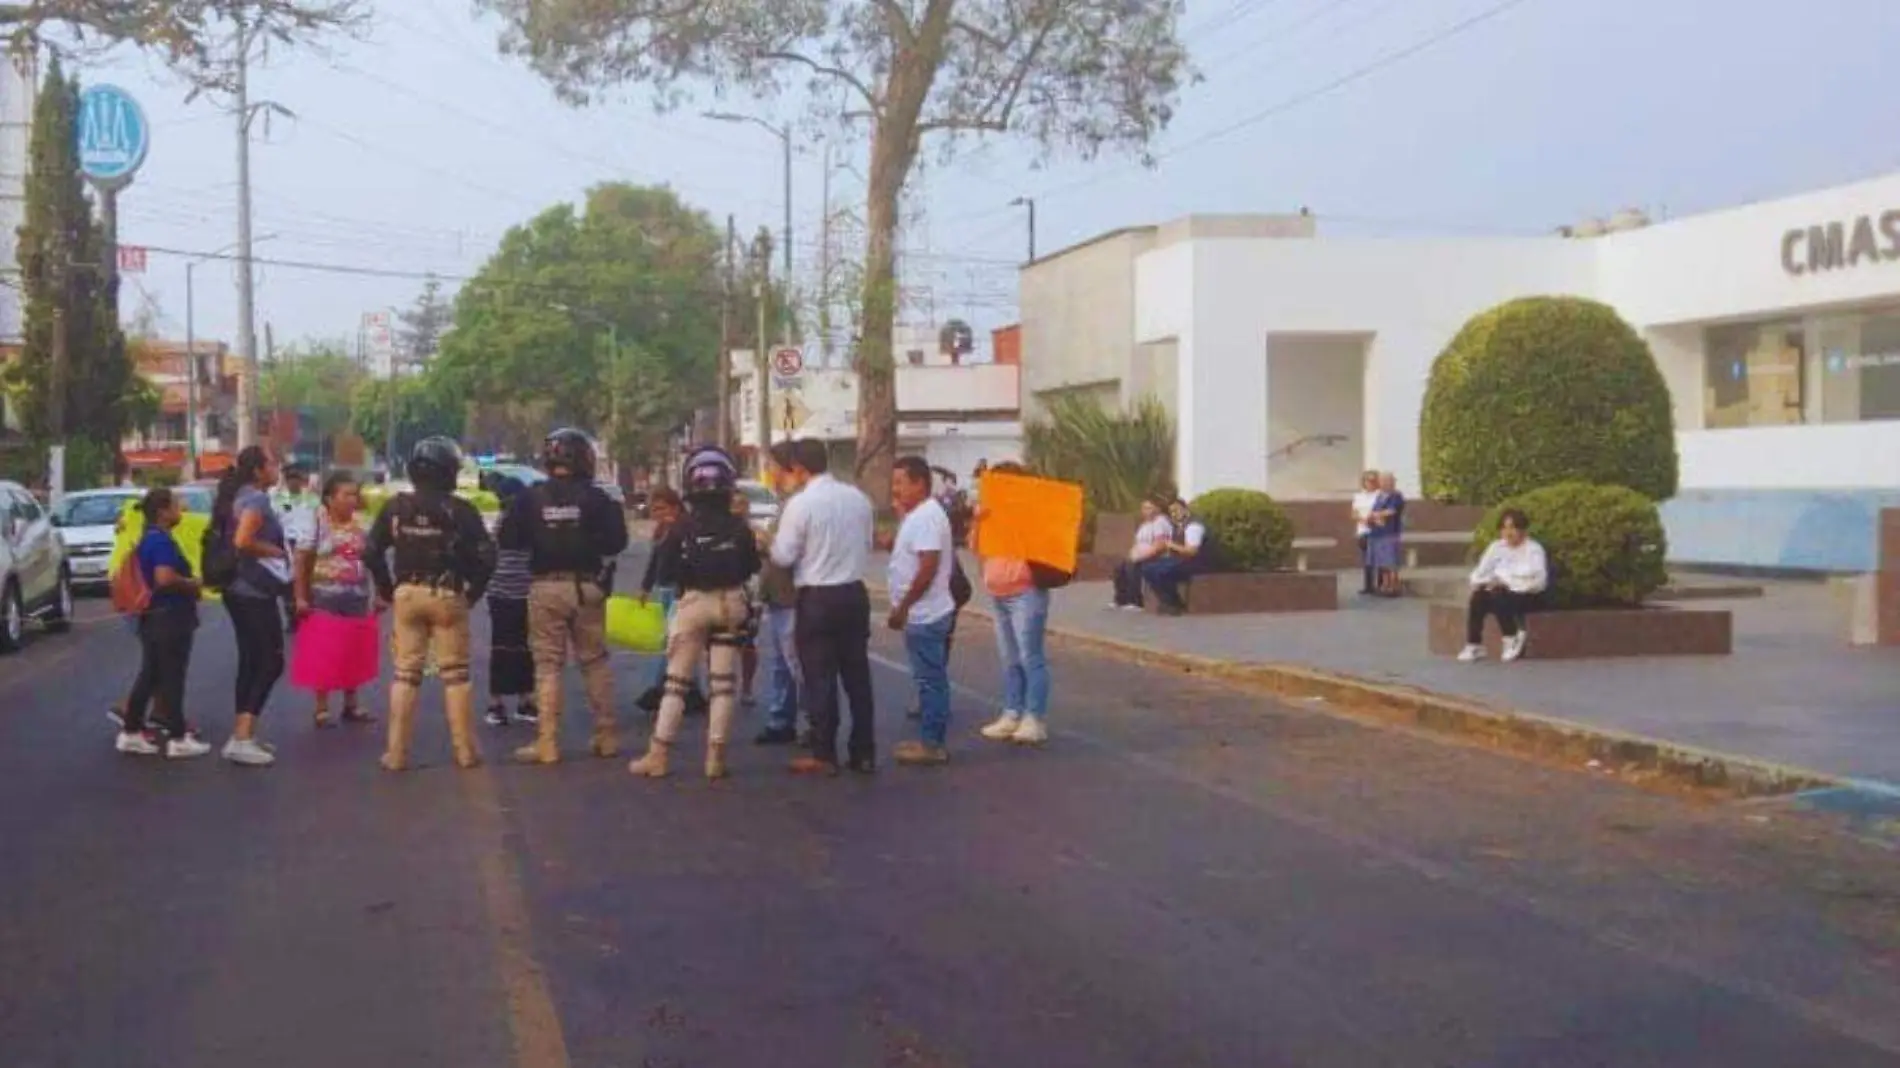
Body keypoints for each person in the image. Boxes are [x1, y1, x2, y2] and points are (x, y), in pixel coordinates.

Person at [627, 446, 761, 779]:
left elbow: (666, 573)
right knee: (723, 685)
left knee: (676, 684)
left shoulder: (682, 528)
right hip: (730, 603)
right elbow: (751, 567)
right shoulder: (739, 527)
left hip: (694, 603)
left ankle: (658, 755)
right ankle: (715, 757)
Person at [365, 436, 497, 771]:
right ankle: (465, 751)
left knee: (406, 674)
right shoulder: (460, 510)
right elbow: (486, 558)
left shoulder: (395, 507)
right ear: (449, 470)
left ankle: (396, 754)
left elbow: (371, 551)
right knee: (455, 676)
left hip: (407, 593)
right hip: (447, 595)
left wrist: (386, 589)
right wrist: (471, 595)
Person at [502, 428, 629, 765]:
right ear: (585, 457)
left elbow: (509, 538)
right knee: (595, 660)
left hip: (546, 586)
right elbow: (617, 542)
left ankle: (547, 742)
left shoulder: (530, 497)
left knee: (548, 665)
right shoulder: (599, 498)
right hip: (588, 586)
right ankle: (607, 735)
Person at [768, 438, 876, 776]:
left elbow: (783, 555)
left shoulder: (801, 505)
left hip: (817, 597)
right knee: (857, 676)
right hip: (854, 593)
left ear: (798, 469)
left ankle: (823, 752)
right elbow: (868, 543)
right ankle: (864, 751)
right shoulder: (858, 498)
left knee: (820, 677)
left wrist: (765, 543)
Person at [116, 488, 212, 759]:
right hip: (168, 617)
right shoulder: (159, 542)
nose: (181, 509)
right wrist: (192, 583)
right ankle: (178, 737)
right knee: (172, 677)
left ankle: (131, 732)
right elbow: (164, 578)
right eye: (176, 505)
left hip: (155, 618)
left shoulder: (151, 538)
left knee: (151, 675)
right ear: (162, 512)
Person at [212, 444, 291, 767]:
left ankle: (242, 733)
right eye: (272, 463)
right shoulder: (255, 498)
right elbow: (243, 541)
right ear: (259, 470)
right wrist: (275, 553)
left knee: (250, 659)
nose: (277, 469)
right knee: (270, 661)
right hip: (253, 591)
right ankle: (242, 736)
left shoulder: (238, 495)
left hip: (237, 589)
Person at [972, 461, 1054, 745]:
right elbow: (976, 547)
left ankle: (1034, 717)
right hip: (998, 591)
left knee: (1030, 655)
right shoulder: (990, 514)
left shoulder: (1028, 515)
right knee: (1009, 657)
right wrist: (980, 522)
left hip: (1025, 590)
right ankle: (1012, 712)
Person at [291, 471, 379, 727]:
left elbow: (372, 560)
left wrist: (379, 593)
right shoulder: (316, 522)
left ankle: (351, 704)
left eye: (355, 494)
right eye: (346, 494)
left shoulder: (363, 523)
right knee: (325, 650)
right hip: (323, 596)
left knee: (354, 648)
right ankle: (321, 708)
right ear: (330, 499)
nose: (352, 499)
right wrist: (300, 597)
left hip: (357, 595)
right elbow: (301, 560)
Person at [887, 457, 958, 766]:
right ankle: (931, 739)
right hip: (924, 612)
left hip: (926, 613)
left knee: (931, 680)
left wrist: (903, 607)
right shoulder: (919, 515)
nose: (896, 489)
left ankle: (933, 744)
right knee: (929, 678)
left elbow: (928, 565)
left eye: (901, 483)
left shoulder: (928, 516)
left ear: (919, 483)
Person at [752, 441, 804, 747]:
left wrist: (762, 537)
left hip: (790, 593)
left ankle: (811, 722)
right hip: (778, 593)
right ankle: (781, 719)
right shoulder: (785, 501)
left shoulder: (797, 503)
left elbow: (787, 550)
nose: (767, 472)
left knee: (796, 663)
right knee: (782, 664)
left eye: (770, 465)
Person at [1459, 508, 1548, 663]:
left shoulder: (1533, 550)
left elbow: (1536, 580)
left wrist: (1506, 582)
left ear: (1522, 530)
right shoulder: (1496, 547)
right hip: (1499, 592)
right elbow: (1480, 572)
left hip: (1527, 595)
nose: (1508, 532)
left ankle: (1511, 637)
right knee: (1479, 596)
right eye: (1504, 528)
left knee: (1499, 593)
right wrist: (1482, 582)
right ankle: (1474, 644)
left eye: (1513, 528)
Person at [484, 476, 538, 727]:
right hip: (526, 593)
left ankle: (496, 704)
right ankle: (526, 701)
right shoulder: (532, 526)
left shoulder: (500, 524)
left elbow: (489, 558)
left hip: (499, 594)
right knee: (525, 647)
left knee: (501, 646)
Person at [1140, 498, 1207, 616]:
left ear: (1185, 510)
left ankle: (1172, 603)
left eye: (1177, 510)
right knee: (1148, 569)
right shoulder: (1177, 527)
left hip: (1195, 563)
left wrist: (1171, 545)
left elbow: (1192, 551)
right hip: (1179, 560)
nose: (1175, 514)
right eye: (1172, 512)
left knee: (1162, 571)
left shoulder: (1194, 526)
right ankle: (1170, 601)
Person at [1111, 496, 1173, 610]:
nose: (1146, 511)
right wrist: (1132, 554)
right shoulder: (1144, 525)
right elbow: (1137, 543)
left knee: (1133, 567)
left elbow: (1160, 545)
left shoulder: (1160, 522)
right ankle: (1121, 599)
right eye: (1144, 508)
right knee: (1119, 567)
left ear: (1157, 509)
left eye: (1149, 508)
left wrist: (1142, 556)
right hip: (1140, 555)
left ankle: (1135, 601)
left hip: (1155, 556)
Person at [1367, 471, 1405, 597]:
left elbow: (1392, 510)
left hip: (1390, 532)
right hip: (1377, 532)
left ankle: (1394, 586)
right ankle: (1384, 585)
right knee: (1381, 562)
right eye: (1382, 481)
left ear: (1392, 482)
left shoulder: (1396, 495)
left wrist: (1378, 515)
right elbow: (1374, 510)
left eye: (1386, 481)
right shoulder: (1379, 496)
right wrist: (1372, 516)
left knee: (1391, 561)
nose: (1383, 483)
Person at [1350, 470, 1380, 597]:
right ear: (1364, 482)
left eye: (1373, 481)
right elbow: (1354, 513)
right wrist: (1363, 520)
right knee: (1367, 559)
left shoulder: (1380, 495)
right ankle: (1368, 586)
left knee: (1380, 558)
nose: (1371, 483)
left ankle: (1381, 584)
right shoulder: (1359, 496)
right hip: (1363, 530)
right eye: (1368, 481)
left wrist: (1372, 519)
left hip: (1378, 530)